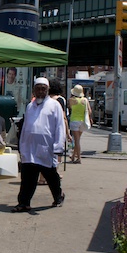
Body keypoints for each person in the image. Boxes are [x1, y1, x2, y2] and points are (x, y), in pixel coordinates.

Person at [12, 77, 66, 213]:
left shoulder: (54, 105)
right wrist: (22, 146)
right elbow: (26, 128)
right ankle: (24, 203)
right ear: (34, 90)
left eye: (43, 89)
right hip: (29, 148)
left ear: (47, 90)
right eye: (38, 89)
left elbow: (60, 127)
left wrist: (58, 146)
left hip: (46, 148)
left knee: (51, 176)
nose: (41, 91)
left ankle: (58, 196)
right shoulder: (30, 106)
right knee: (27, 178)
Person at [39, 79, 71, 185]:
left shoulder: (44, 100)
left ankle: (42, 178)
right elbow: (63, 118)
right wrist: (67, 132)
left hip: (44, 129)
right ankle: (54, 175)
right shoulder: (60, 100)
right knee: (56, 154)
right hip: (55, 130)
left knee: (44, 155)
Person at [68, 84, 93, 164]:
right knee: (78, 140)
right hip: (83, 121)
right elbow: (89, 111)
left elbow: (70, 108)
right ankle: (73, 157)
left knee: (76, 141)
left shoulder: (71, 100)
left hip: (74, 120)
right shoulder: (85, 100)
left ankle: (78, 158)